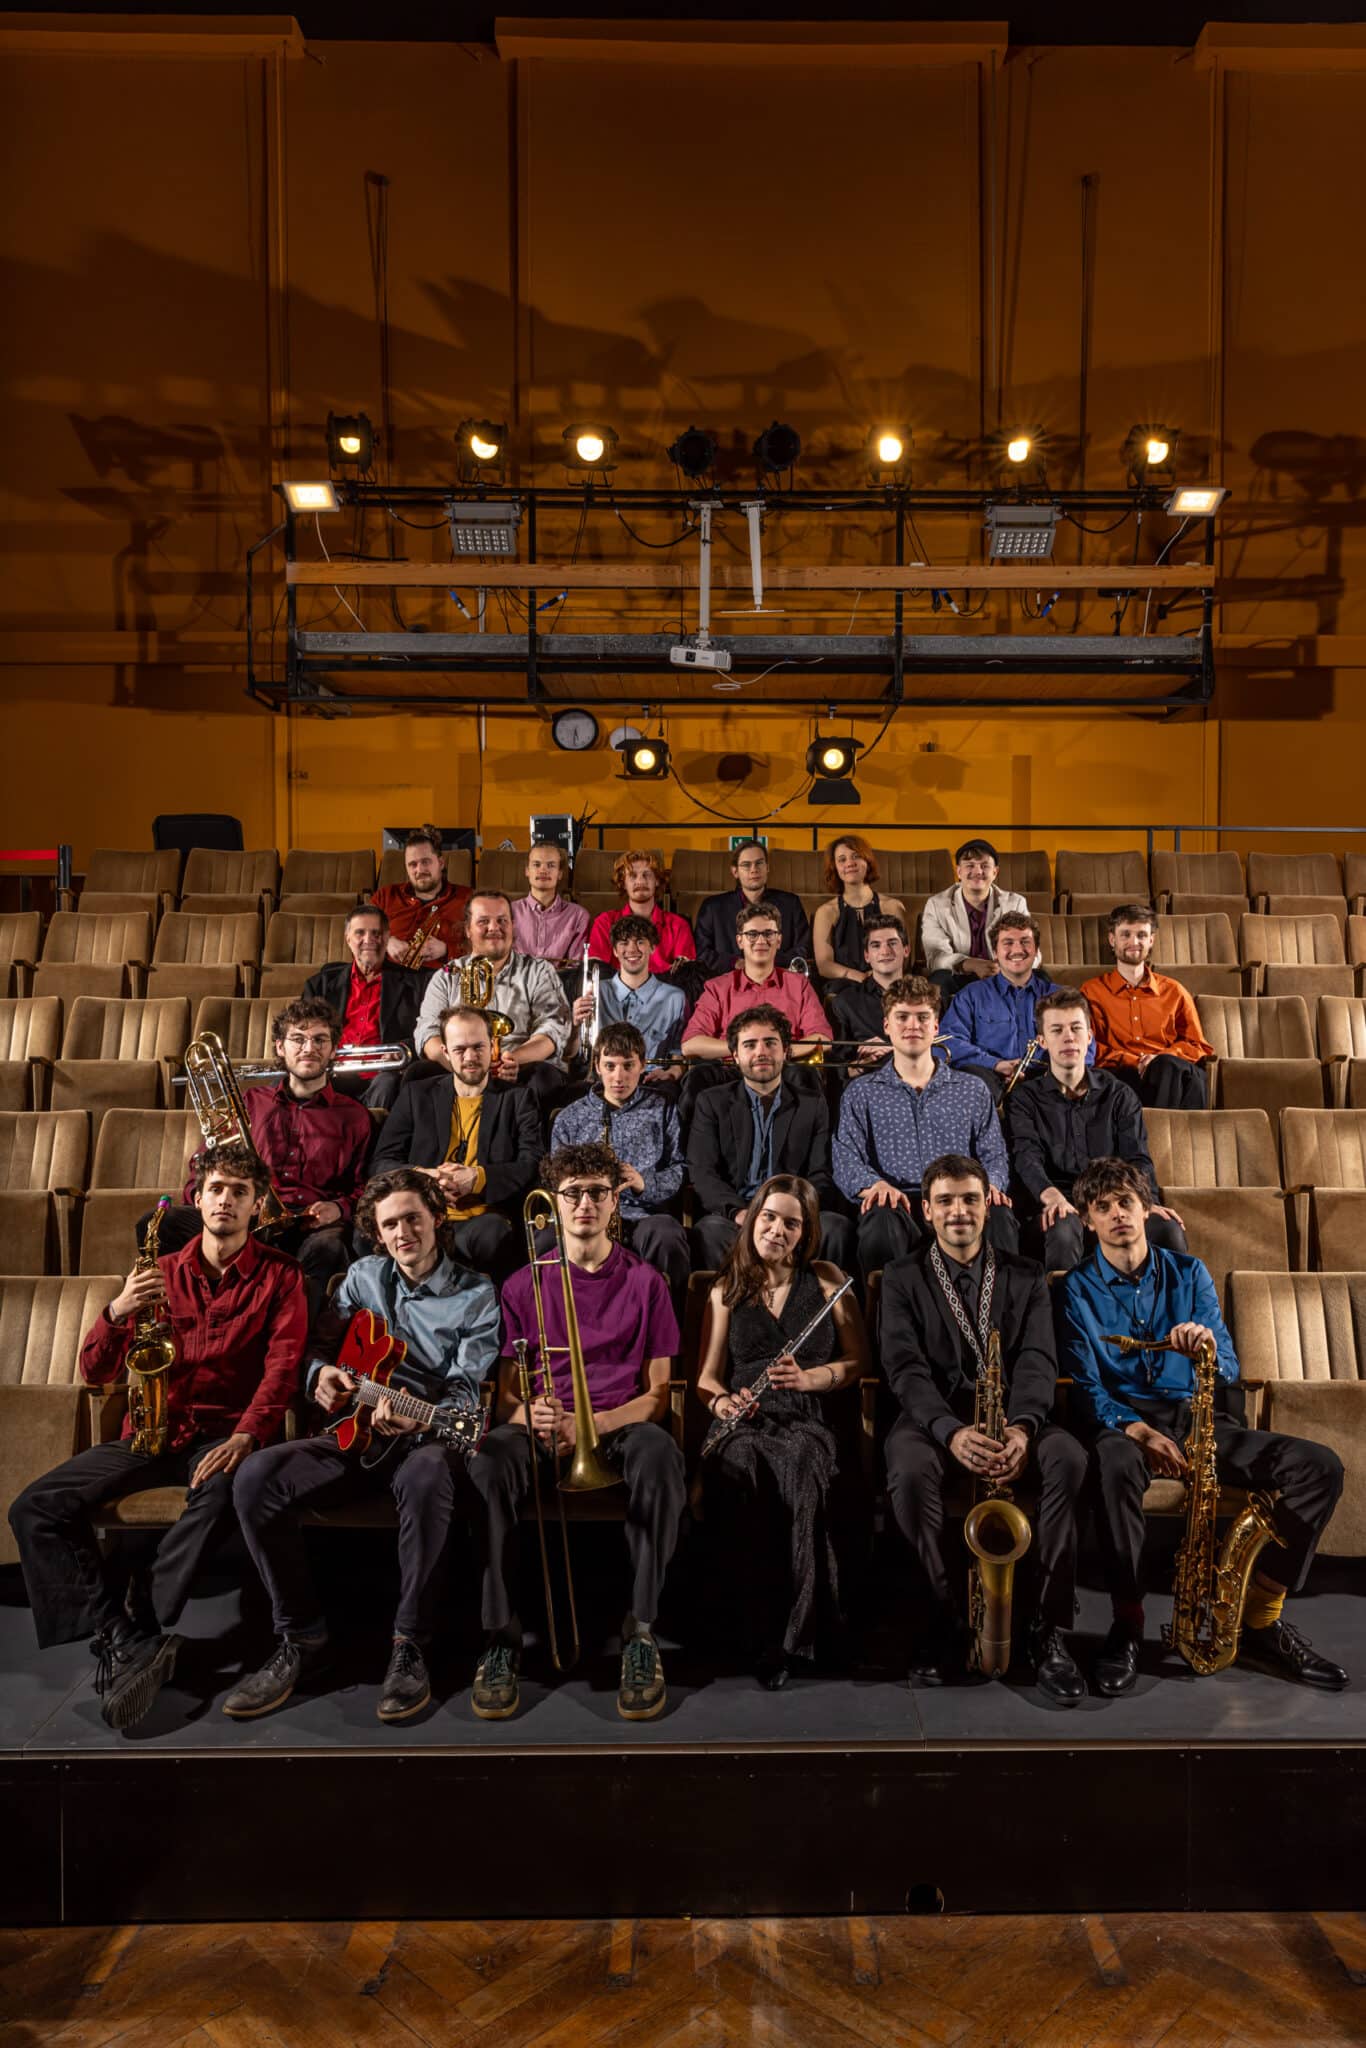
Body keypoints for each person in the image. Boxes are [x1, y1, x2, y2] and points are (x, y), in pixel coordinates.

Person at [8, 1143, 305, 1731]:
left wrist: (248, 1435)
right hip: (151, 1431)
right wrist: (117, 1311)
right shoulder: (158, 1274)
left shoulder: (281, 1275)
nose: (225, 1200)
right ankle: (124, 1634)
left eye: (240, 1192)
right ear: (199, 1198)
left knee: (221, 1491)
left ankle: (141, 1611)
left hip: (222, 1435)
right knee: (34, 1508)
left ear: (257, 1206)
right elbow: (94, 1371)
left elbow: (283, 1369)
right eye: (216, 1189)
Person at [1058, 1156, 1348, 1697]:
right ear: (1088, 1221)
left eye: (1126, 1202)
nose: (1117, 1214)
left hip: (1197, 1417)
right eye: (1103, 1207)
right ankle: (1127, 1624)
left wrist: (1207, 1349)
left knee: (1320, 1467)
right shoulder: (1075, 1288)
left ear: (1146, 1209)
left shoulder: (1189, 1273)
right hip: (1125, 1424)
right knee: (1114, 1466)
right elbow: (1085, 1385)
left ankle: (1260, 1616)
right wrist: (1137, 1431)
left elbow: (1229, 1366)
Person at [226, 1168, 502, 1724]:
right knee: (256, 1477)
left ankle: (410, 1644)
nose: (403, 1233)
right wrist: (320, 1376)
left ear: (437, 1219)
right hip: (354, 1433)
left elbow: (465, 1394)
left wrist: (419, 1417)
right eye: (390, 1224)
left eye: (413, 1219)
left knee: (426, 1475)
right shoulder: (361, 1277)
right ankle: (301, 1636)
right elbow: (317, 1350)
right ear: (377, 1233)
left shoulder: (476, 1295)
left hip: (424, 1437)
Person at [473, 1143, 684, 1723]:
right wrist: (534, 1417)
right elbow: (507, 1398)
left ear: (616, 1201)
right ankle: (501, 1631)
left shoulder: (648, 1282)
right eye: (573, 1193)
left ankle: (641, 1628)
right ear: (555, 1203)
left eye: (597, 1192)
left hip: (617, 1423)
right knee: (488, 1459)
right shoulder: (522, 1285)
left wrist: (591, 1424)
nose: (585, 1203)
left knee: (662, 1456)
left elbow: (657, 1395)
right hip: (544, 1426)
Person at [879, 1154, 1086, 1702]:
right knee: (907, 1469)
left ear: (987, 1206)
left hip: (1012, 1417)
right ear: (926, 1211)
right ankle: (940, 1618)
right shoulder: (901, 1277)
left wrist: (1022, 1428)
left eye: (970, 1199)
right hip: (936, 1420)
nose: (959, 1211)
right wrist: (949, 1431)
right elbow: (904, 1368)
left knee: (1069, 1458)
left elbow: (1039, 1359)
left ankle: (1047, 1628)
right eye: (945, 1201)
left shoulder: (1026, 1274)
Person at [695, 1175, 868, 1688]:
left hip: (808, 1417)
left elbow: (859, 1361)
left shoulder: (828, 1278)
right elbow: (707, 1378)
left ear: (805, 1232)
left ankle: (795, 1637)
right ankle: (753, 1630)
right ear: (752, 1219)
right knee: (741, 1464)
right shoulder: (726, 1289)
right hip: (745, 1418)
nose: (776, 1229)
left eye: (791, 1223)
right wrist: (723, 1401)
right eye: (769, 1217)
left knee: (799, 1462)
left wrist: (812, 1378)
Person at [150, 997, 372, 1323]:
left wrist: (338, 1208)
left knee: (329, 1248)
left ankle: (288, 1338)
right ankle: (189, 1325)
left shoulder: (354, 1117)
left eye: (320, 1040)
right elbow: (204, 1165)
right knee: (159, 1225)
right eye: (298, 1039)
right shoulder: (251, 1102)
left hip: (309, 1225)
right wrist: (206, 1198)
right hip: (245, 1216)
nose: (309, 1048)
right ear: (280, 1047)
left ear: (333, 1049)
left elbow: (365, 1188)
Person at [833, 976, 1015, 1273]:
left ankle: (999, 1302)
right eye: (902, 1017)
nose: (913, 1025)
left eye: (922, 1017)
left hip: (958, 1200)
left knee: (998, 1214)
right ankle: (885, 1303)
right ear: (886, 1026)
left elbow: (994, 1153)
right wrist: (875, 1186)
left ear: (936, 1026)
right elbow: (846, 1158)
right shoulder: (860, 1093)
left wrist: (991, 1185)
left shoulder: (972, 1089)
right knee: (880, 1220)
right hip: (897, 1204)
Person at [1005, 988, 1188, 1276]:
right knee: (1063, 1228)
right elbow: (1027, 1158)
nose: (1068, 1037)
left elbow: (1137, 1157)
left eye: (1076, 1028)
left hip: (1114, 1199)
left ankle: (1174, 1306)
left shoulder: (1119, 1095)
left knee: (1167, 1229)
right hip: (1056, 1200)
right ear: (1042, 1041)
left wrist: (1146, 1202)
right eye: (1057, 1030)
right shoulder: (1024, 1099)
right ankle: (1068, 1306)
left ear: (1090, 1036)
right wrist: (1051, 1197)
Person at [369, 1005, 543, 1277]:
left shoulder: (519, 1099)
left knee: (493, 1234)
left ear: (492, 1046)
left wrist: (477, 1178)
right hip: (420, 1218)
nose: (470, 1057)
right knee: (366, 1236)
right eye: (460, 1049)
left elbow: (532, 1164)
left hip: (482, 1219)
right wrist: (426, 1177)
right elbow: (381, 1163)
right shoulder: (416, 1094)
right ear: (446, 1052)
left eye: (478, 1047)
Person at [686, 1004, 855, 1271]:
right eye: (750, 1045)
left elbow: (820, 1173)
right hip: (736, 1214)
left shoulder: (812, 1104)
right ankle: (733, 1299)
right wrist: (741, 1213)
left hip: (793, 1213)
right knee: (709, 1231)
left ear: (785, 1051)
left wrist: (790, 1215)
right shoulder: (711, 1102)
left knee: (835, 1227)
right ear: (735, 1055)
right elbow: (703, 1172)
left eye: (770, 1043)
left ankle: (811, 1298)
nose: (761, 1052)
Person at [549, 1021, 689, 1309]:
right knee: (545, 1240)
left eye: (628, 1066)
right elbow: (556, 1179)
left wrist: (644, 1183)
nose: (618, 1076)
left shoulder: (663, 1108)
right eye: (610, 1066)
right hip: (586, 1214)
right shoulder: (570, 1118)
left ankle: (669, 1326)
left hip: (644, 1216)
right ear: (597, 1067)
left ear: (643, 1065)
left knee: (668, 1236)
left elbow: (678, 1169)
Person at [414, 890, 572, 1110]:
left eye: (502, 920)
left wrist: (513, 1059)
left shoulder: (539, 971)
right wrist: (464, 1066)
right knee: (416, 1076)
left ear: (513, 926)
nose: (494, 928)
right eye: (483, 921)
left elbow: (554, 1029)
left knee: (544, 1078)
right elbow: (427, 1033)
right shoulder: (446, 976)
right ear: (468, 929)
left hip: (521, 1065)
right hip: (459, 1066)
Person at [680, 903, 832, 1116]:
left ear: (779, 940)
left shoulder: (799, 985)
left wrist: (780, 1053)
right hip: (732, 1070)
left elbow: (823, 1038)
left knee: (806, 1077)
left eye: (768, 933)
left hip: (784, 1069)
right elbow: (690, 1044)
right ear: (739, 941)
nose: (761, 941)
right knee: (698, 1078)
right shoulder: (717, 987)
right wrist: (743, 1051)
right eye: (752, 934)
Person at [939, 912, 1093, 1101]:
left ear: (1036, 950)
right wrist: (996, 1064)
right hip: (990, 1080)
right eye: (1008, 943)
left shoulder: (1061, 997)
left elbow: (1087, 1048)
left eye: (1025, 942)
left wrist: (1056, 1075)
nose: (1017, 949)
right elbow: (948, 1042)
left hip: (1049, 1080)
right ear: (995, 952)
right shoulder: (971, 995)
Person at [1081, 903, 1214, 1110]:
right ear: (1112, 940)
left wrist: (1160, 1059)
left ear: (1151, 940)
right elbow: (1088, 1047)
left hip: (1170, 1075)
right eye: (1126, 934)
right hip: (1120, 1077)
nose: (1134, 942)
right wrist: (1136, 1061)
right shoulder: (1092, 992)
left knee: (1181, 1072)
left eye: (1141, 935)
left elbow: (1197, 1046)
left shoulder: (1174, 991)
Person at [304, 904, 423, 1110]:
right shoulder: (319, 984)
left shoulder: (416, 984)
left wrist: (404, 1049)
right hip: (332, 1075)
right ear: (348, 938)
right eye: (360, 933)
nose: (369, 940)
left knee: (387, 1084)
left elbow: (427, 1034)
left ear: (387, 938)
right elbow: (303, 1032)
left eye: (376, 933)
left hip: (384, 1078)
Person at [570, 912, 686, 1084]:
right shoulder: (595, 992)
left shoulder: (675, 997)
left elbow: (678, 1056)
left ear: (652, 947)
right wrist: (575, 1026)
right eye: (624, 943)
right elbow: (571, 1054)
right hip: (601, 1082)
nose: (632, 949)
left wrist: (671, 1074)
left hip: (650, 1083)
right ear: (615, 951)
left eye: (640, 942)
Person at [921, 839, 1029, 996]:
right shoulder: (936, 904)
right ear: (959, 872)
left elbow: (1031, 950)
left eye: (985, 866)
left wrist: (1006, 965)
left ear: (995, 872)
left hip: (1004, 972)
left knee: (1040, 978)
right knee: (937, 981)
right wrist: (970, 964)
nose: (978, 871)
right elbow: (936, 957)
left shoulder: (1015, 903)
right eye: (970, 865)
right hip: (959, 974)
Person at [693, 839, 811, 976]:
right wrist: (735, 963)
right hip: (727, 980)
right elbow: (701, 952)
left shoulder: (791, 903)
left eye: (759, 863)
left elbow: (804, 948)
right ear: (735, 871)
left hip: (779, 978)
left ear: (767, 867)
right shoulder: (712, 907)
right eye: (746, 865)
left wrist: (768, 961)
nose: (754, 870)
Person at [811, 836, 909, 985]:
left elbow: (905, 956)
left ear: (867, 861)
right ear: (835, 867)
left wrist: (878, 975)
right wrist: (858, 976)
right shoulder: (826, 912)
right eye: (842, 860)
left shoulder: (893, 906)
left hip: (888, 981)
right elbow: (824, 965)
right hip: (844, 984)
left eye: (856, 856)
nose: (850, 863)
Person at [371, 823, 471, 969]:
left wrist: (446, 950)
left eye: (425, 862)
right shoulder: (384, 896)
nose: (419, 870)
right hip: (390, 976)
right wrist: (386, 942)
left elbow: (486, 948)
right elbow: (358, 936)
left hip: (443, 976)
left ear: (441, 863)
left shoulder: (468, 899)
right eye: (413, 864)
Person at [585, 851, 695, 975]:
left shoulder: (678, 925)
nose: (640, 881)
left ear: (657, 881)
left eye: (647, 875)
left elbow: (686, 976)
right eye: (632, 875)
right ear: (623, 883)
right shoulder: (605, 922)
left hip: (665, 987)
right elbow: (596, 973)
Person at [827, 912, 911, 1067]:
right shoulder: (846, 1002)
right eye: (876, 945)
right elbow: (838, 1069)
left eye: (892, 943)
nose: (885, 951)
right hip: (869, 1078)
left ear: (906, 950)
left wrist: (891, 1050)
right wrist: (864, 1063)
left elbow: (941, 1049)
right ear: (867, 956)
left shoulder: (928, 998)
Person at [511, 841, 589, 968]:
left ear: (560, 874)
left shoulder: (578, 916)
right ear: (527, 871)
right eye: (536, 864)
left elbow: (575, 967)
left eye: (551, 865)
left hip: (561, 980)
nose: (543, 870)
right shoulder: (509, 912)